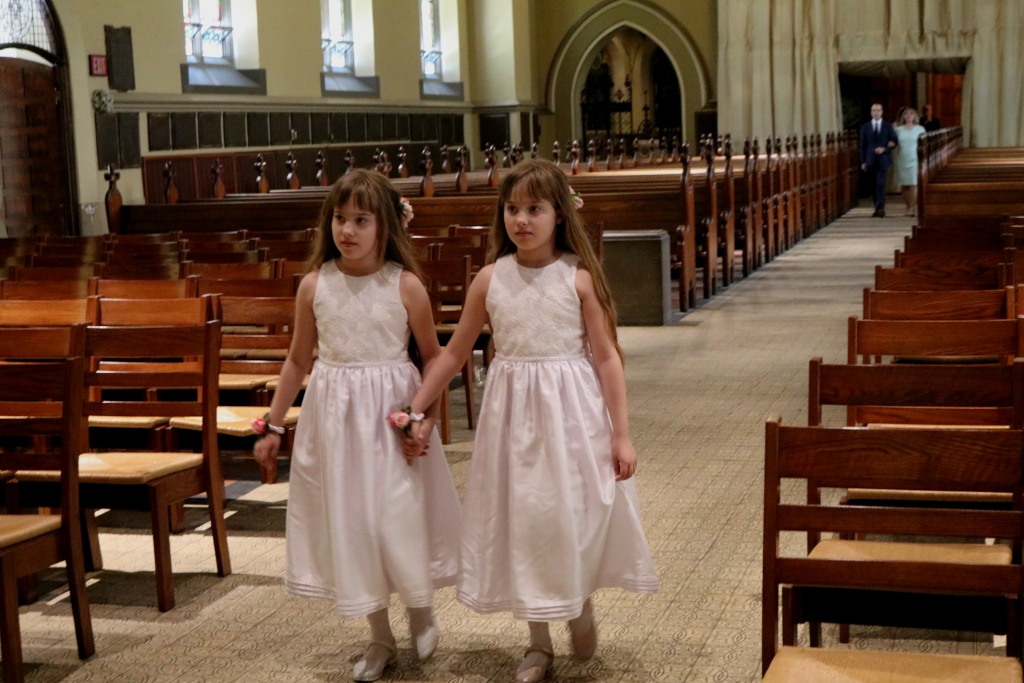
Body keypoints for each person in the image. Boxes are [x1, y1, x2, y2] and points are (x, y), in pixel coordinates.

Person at [399, 159, 659, 683]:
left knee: (570, 515)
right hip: (512, 422)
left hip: (572, 417)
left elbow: (607, 357)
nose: (521, 219)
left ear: (559, 214)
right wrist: (418, 405)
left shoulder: (578, 277)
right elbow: (454, 353)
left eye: (534, 209)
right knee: (524, 520)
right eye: (512, 209)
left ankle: (578, 602)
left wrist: (622, 434)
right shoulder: (490, 278)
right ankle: (538, 642)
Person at [254, 170, 461, 682]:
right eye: (340, 219)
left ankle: (420, 608)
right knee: (353, 523)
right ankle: (379, 636)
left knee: (396, 515)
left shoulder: (405, 285)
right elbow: (297, 361)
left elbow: (434, 359)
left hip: (390, 416)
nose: (347, 230)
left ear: (385, 225)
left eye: (361, 220)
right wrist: (273, 426)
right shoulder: (315, 285)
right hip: (336, 420)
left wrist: (423, 419)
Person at [859, 102, 899, 217]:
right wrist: (863, 161)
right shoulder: (865, 127)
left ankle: (881, 208)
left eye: (878, 110)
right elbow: (862, 146)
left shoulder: (887, 126)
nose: (876, 112)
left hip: (883, 159)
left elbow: (894, 141)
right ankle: (877, 207)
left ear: (882, 112)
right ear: (871, 113)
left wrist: (885, 149)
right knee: (873, 185)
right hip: (870, 159)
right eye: (874, 110)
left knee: (880, 183)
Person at [894, 107, 926, 216]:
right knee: (904, 184)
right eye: (906, 114)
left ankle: (913, 207)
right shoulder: (898, 129)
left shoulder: (920, 129)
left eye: (911, 113)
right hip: (902, 158)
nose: (908, 115)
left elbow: (924, 144)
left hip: (915, 158)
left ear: (914, 116)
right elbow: (893, 142)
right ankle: (907, 206)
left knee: (913, 183)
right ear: (903, 116)